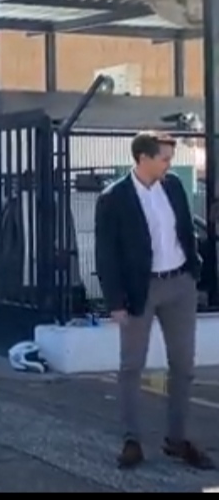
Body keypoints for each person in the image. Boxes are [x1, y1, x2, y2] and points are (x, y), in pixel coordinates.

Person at [94, 130, 214, 470]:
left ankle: (177, 439)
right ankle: (131, 441)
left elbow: (185, 230)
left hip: (179, 284)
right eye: (164, 158)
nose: (169, 164)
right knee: (132, 366)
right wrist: (115, 302)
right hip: (139, 291)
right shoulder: (114, 198)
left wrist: (194, 271)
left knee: (184, 366)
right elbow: (106, 254)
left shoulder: (173, 186)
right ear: (143, 158)